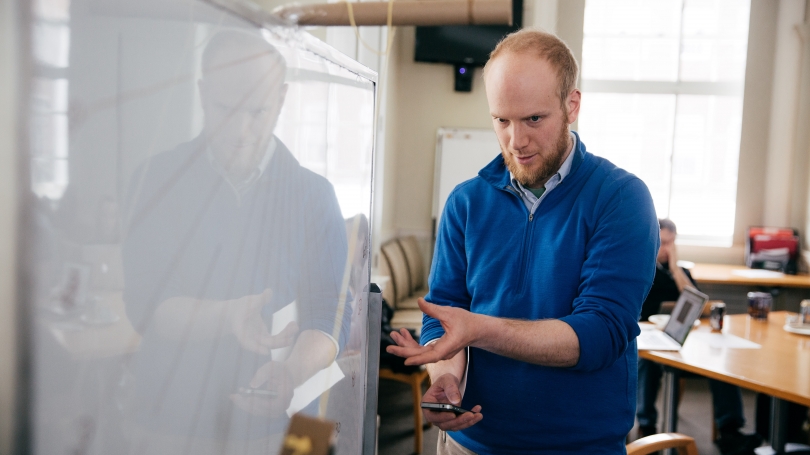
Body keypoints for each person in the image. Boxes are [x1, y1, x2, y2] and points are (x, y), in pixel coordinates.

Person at [387, 29, 659, 454]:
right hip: (468, 443)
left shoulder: (621, 198)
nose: (517, 140)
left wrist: (480, 329)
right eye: (502, 120)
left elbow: (600, 333)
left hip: (575, 446)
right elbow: (443, 315)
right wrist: (446, 376)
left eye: (534, 119)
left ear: (572, 105)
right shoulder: (465, 201)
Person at [121, 31, 349, 454]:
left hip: (293, 421)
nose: (241, 131)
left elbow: (331, 313)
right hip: (170, 418)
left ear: (281, 100)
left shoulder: (314, 194)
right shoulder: (155, 180)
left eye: (257, 112)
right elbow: (144, 308)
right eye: (226, 110)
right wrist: (226, 317)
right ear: (203, 94)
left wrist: (292, 372)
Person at [638, 219, 763, 455]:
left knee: (720, 360)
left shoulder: (680, 272)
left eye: (672, 244)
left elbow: (697, 303)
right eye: (663, 243)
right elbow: (643, 309)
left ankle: (730, 430)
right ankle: (647, 427)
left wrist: (675, 269)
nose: (667, 249)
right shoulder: (642, 267)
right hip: (650, 338)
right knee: (647, 363)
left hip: (682, 341)